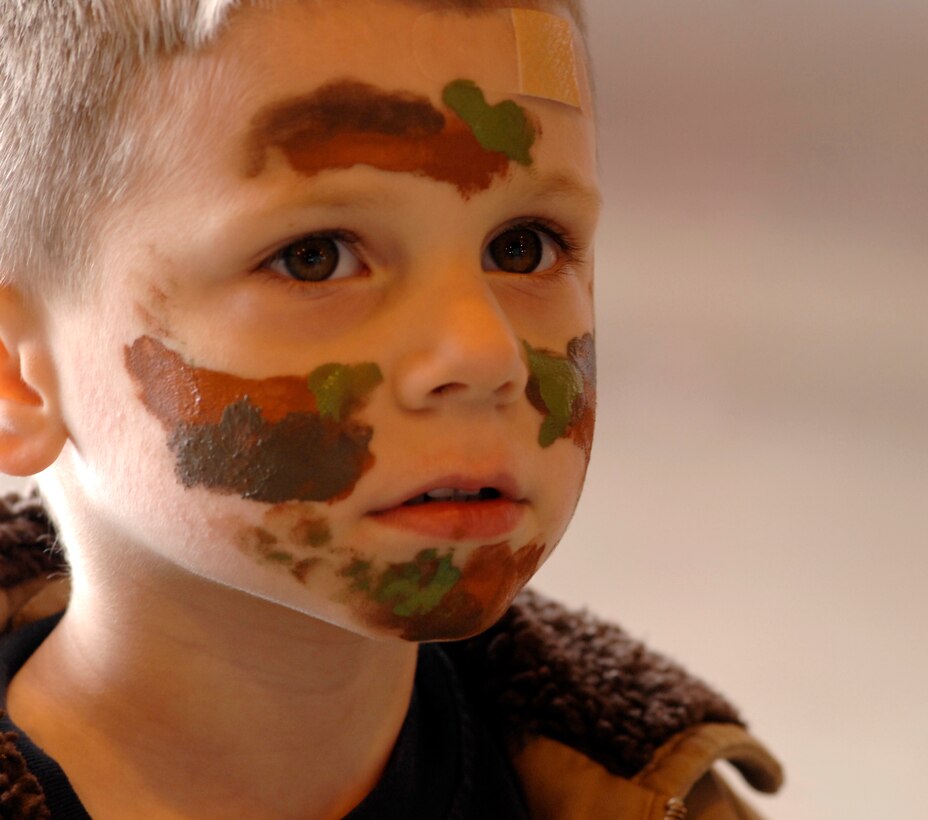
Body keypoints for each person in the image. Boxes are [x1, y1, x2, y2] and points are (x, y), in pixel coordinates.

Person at [0, 1, 782, 817]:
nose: (487, 353)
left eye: (525, 246)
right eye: (317, 257)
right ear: (19, 377)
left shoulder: (651, 798)